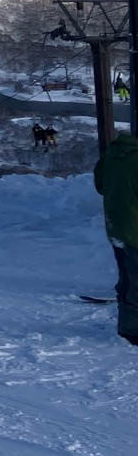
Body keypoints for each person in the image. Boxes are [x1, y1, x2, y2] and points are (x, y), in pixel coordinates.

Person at [92, 132, 138, 347]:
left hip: (117, 228)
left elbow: (100, 186)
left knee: (127, 278)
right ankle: (132, 331)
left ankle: (127, 326)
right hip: (136, 231)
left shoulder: (111, 155)